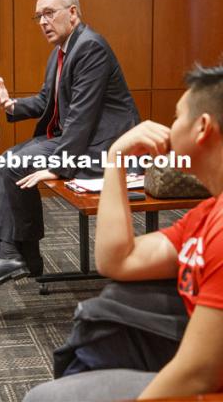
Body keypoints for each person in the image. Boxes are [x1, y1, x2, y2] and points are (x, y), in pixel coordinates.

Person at [23, 63, 223, 401]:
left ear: (202, 127)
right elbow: (119, 259)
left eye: (177, 117)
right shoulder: (207, 214)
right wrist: (115, 159)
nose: (170, 127)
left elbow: (199, 372)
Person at [0, 0, 140, 290]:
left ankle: (14, 255)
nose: (43, 22)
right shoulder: (60, 51)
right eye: (38, 17)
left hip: (103, 146)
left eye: (49, 13)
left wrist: (58, 167)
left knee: (18, 163)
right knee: (9, 159)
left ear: (72, 13)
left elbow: (82, 116)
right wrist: (13, 105)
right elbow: (50, 100)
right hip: (75, 138)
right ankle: (23, 255)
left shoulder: (90, 47)